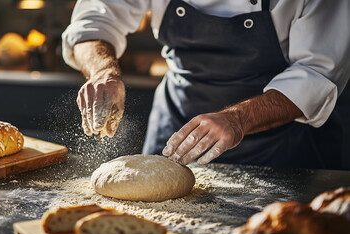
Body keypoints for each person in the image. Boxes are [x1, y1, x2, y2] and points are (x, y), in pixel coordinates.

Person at [62, 0, 350, 169]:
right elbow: (95, 19)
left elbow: (316, 72)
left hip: (284, 145)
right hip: (175, 125)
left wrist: (238, 119)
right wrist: (103, 71)